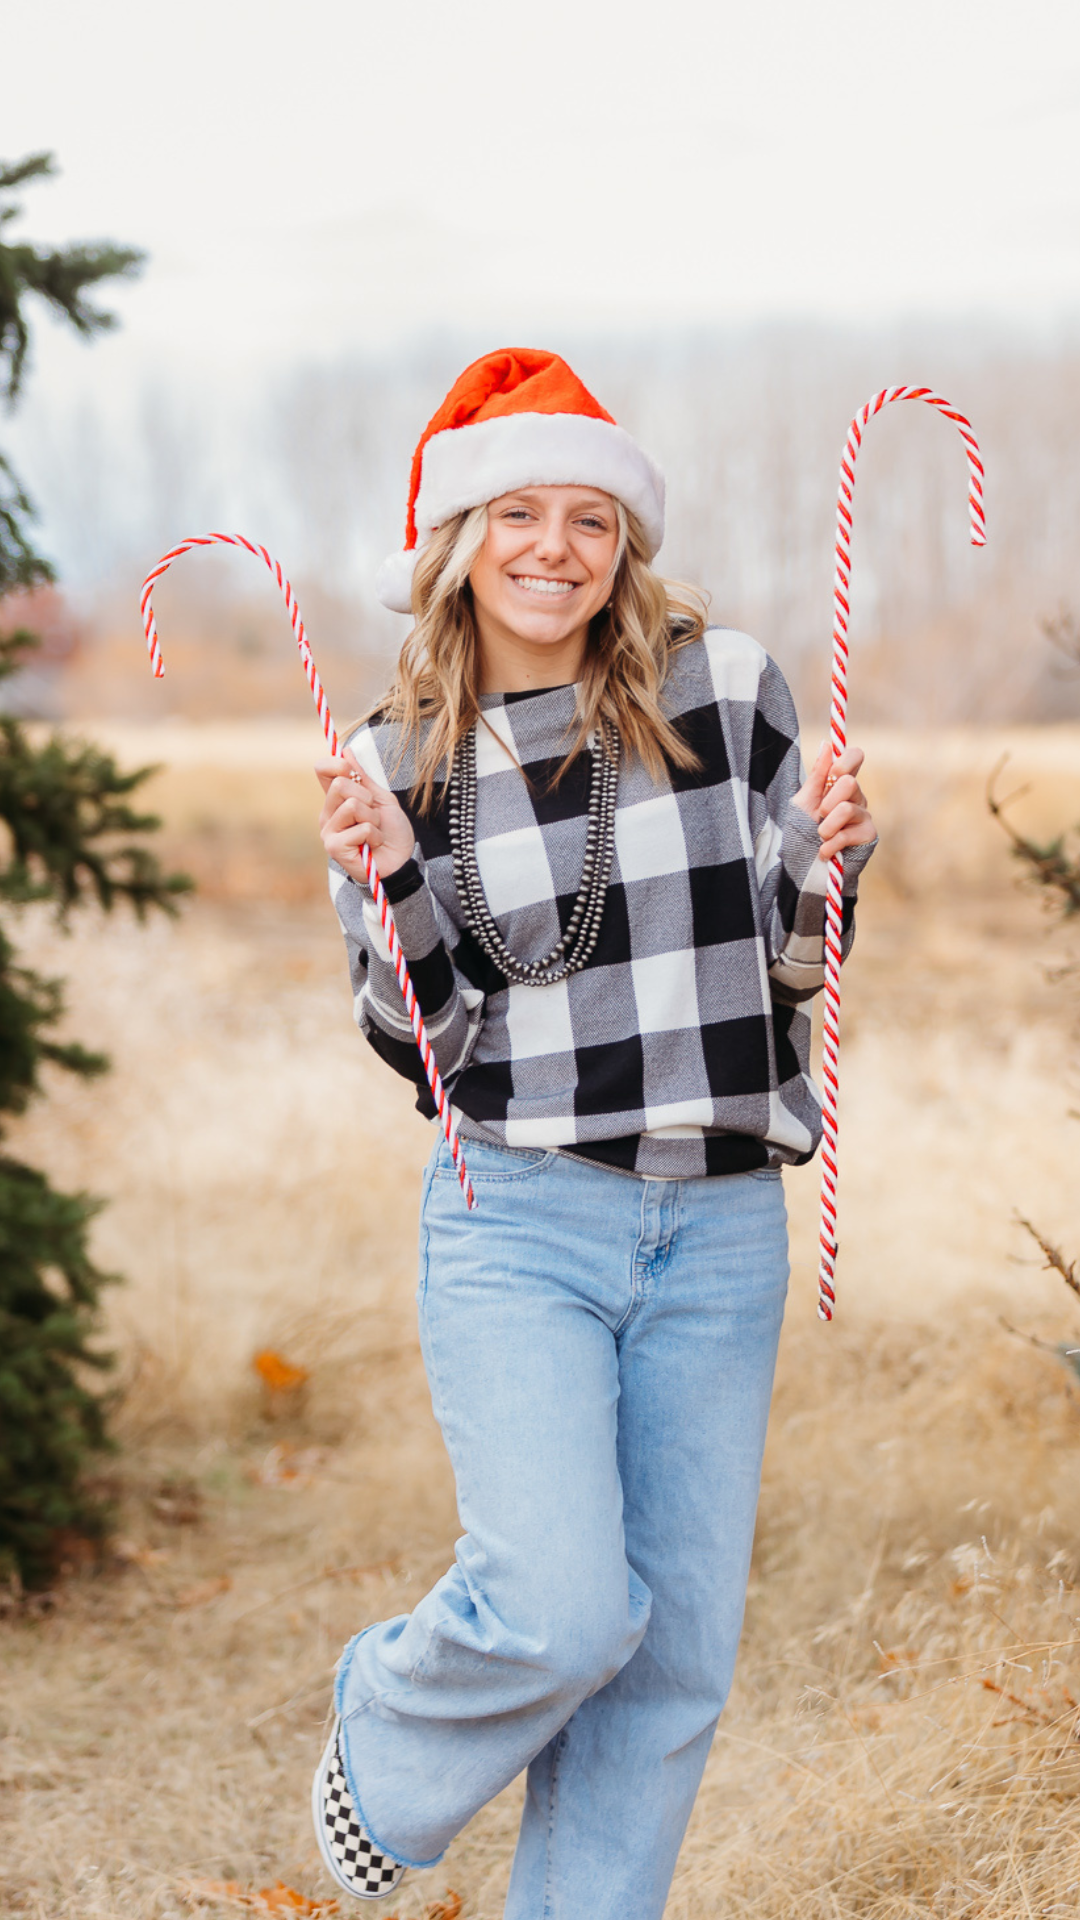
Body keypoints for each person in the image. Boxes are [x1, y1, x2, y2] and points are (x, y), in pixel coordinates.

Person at [311, 348, 877, 1915]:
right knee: (562, 1607)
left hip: (720, 1225)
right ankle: (385, 1731)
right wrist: (385, 882)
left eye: (591, 519)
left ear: (627, 543)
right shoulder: (393, 759)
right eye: (520, 515)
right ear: (459, 538)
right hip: (521, 1216)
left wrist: (833, 851)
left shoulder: (729, 688)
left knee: (671, 1659)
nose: (556, 549)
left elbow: (790, 960)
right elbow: (427, 1050)